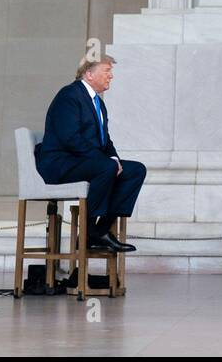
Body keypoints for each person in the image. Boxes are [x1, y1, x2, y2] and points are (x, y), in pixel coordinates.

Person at [35, 55, 146, 253]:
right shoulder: (69, 95)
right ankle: (87, 233)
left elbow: (106, 141)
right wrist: (106, 162)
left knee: (135, 170)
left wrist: (114, 159)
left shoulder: (98, 103)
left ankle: (100, 230)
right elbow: (70, 138)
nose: (111, 76)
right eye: (107, 71)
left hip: (84, 162)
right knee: (106, 167)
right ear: (89, 73)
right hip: (60, 163)